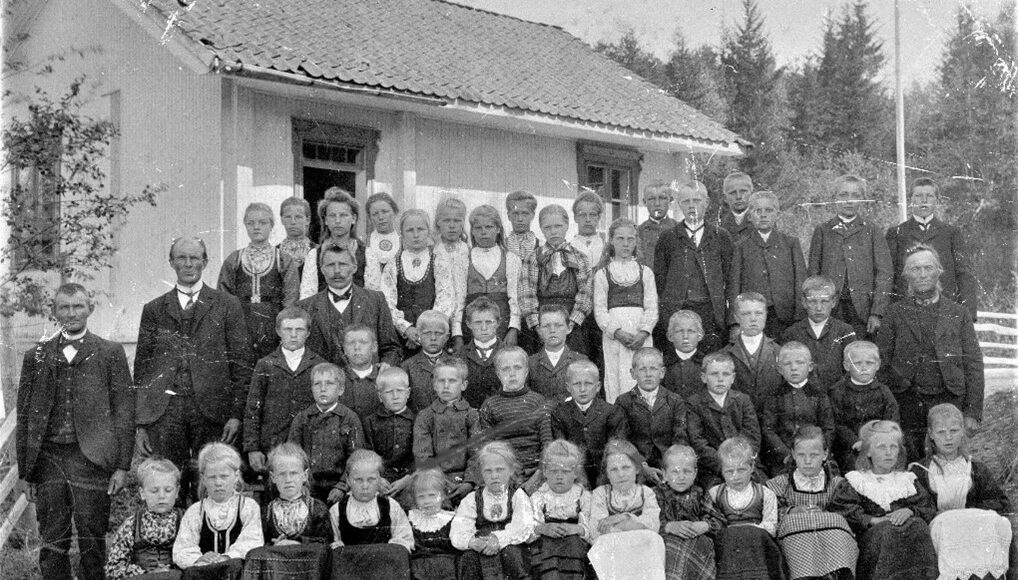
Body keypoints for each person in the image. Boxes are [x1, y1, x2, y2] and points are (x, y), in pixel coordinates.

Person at [17, 283, 135, 580]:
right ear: (54, 311)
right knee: (53, 538)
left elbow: (124, 412)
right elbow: (26, 416)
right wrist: (26, 471)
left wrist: (122, 465)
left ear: (90, 309)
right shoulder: (37, 356)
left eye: (78, 306)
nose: (72, 313)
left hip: (92, 461)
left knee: (92, 538)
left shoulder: (110, 353)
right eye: (65, 307)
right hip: (49, 460)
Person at [135, 237, 253, 504]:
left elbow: (241, 364)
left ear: (205, 262)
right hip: (166, 411)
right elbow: (142, 369)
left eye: (194, 258)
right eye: (181, 258)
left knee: (210, 479)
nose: (188, 264)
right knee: (167, 480)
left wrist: (235, 415)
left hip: (211, 409)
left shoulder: (227, 305)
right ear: (172, 262)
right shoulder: (154, 309)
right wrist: (142, 422)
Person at [875, 244, 984, 460]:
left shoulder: (958, 313)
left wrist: (972, 412)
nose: (922, 274)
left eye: (928, 268)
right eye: (915, 269)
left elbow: (973, 363)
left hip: (949, 398)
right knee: (911, 463)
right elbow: (882, 363)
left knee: (950, 462)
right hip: (907, 401)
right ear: (906, 275)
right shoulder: (894, 313)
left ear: (938, 271)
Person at [910, 404, 1012, 580]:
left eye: (954, 430)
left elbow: (999, 501)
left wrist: (970, 513)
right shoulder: (920, 471)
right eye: (941, 432)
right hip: (941, 529)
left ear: (963, 431)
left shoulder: (975, 468)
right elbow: (918, 507)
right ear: (931, 434)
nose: (948, 438)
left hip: (973, 527)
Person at [828, 420, 938, 580]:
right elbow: (840, 510)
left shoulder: (907, 480)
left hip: (907, 535)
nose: (889, 452)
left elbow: (928, 508)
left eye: (893, 447)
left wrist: (910, 511)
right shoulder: (857, 481)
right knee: (888, 531)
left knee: (918, 526)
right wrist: (872, 520)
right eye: (881, 447)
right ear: (868, 452)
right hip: (872, 542)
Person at [765, 426, 858, 580]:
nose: (807, 461)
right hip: (796, 547)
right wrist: (791, 511)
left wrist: (824, 516)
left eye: (814, 455)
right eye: (801, 455)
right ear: (793, 454)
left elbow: (849, 516)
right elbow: (769, 515)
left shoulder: (837, 485)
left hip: (830, 546)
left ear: (825, 454)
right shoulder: (779, 485)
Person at [244, 306, 327, 476]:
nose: (294, 335)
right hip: (273, 444)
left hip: (309, 443)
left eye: (299, 329)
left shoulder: (319, 364)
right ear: (278, 331)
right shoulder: (266, 364)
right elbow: (253, 408)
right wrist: (252, 448)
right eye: (288, 329)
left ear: (308, 332)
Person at [808, 174, 893, 338]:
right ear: (834, 198)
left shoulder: (872, 230)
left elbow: (885, 274)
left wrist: (877, 312)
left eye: (855, 196)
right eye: (843, 195)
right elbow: (813, 274)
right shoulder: (823, 231)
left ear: (862, 200)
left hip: (863, 311)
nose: (849, 200)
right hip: (830, 309)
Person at [654, 180, 733, 353]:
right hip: (678, 310)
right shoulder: (668, 238)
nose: (691, 206)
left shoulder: (721, 237)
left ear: (706, 203)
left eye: (696, 200)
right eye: (686, 201)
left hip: (710, 312)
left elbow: (729, 277)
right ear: (679, 205)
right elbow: (660, 280)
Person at [217, 202, 299, 359]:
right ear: (245, 226)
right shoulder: (234, 259)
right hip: (241, 324)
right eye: (251, 223)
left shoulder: (283, 260)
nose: (256, 227)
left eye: (262, 223)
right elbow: (223, 296)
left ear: (271, 225)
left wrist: (284, 327)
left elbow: (291, 296)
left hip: (273, 324)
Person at [297, 243, 402, 367]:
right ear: (322, 269)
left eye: (343, 264)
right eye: (330, 265)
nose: (337, 271)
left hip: (366, 383)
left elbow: (391, 348)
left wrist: (386, 366)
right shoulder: (305, 307)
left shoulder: (376, 300)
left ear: (354, 267)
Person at [886, 177, 977, 317]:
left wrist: (969, 315)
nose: (924, 201)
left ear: (937, 200)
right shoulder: (897, 233)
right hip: (906, 312)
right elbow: (888, 276)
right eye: (918, 196)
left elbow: (964, 275)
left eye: (929, 196)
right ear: (911, 200)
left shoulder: (951, 233)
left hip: (944, 311)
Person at [242, 443, 333, 579]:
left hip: (308, 571)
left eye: (293, 473)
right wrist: (275, 544)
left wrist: (298, 543)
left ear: (304, 475)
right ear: (273, 477)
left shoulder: (317, 508)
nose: (288, 480)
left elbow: (326, 544)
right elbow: (259, 542)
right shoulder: (267, 512)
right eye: (282, 474)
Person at [594, 217, 659, 402]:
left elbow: (652, 307)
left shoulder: (645, 272)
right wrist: (617, 332)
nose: (625, 243)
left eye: (630, 239)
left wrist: (644, 332)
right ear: (612, 241)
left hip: (640, 334)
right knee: (617, 378)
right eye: (620, 238)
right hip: (615, 337)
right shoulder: (603, 274)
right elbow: (600, 311)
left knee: (642, 372)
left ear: (636, 241)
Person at [173, 443, 263, 574]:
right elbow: (183, 548)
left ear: (236, 476)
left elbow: (252, 541)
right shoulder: (196, 511)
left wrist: (226, 558)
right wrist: (200, 559)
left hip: (239, 574)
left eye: (224, 476)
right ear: (203, 478)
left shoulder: (248, 507)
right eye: (212, 477)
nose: (218, 483)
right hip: (204, 573)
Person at [450, 441, 536, 580]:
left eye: (499, 470)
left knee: (512, 554)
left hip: (509, 546)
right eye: (488, 471)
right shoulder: (472, 498)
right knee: (468, 558)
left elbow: (523, 526)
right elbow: (459, 528)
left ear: (511, 470)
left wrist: (498, 539)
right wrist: (471, 541)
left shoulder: (517, 495)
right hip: (481, 547)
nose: (494, 475)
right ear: (481, 473)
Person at [728, 190, 806, 337]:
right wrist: (735, 322)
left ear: (777, 215)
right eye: (758, 211)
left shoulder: (790, 243)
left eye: (769, 210)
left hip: (785, 316)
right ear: (750, 216)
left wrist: (799, 317)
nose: (763, 215)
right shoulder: (741, 246)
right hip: (753, 316)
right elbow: (734, 286)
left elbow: (800, 281)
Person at [329, 449, 415, 580]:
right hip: (352, 573)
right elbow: (333, 545)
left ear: (380, 479)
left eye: (371, 479)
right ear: (348, 480)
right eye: (358, 480)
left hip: (384, 572)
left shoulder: (391, 506)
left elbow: (404, 540)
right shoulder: (337, 511)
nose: (365, 486)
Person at [709, 436, 786, 580]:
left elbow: (771, 526)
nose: (735, 476)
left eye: (741, 469)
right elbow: (713, 524)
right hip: (729, 548)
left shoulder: (765, 494)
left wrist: (750, 528)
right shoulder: (715, 494)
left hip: (757, 547)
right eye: (729, 471)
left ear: (751, 467)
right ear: (721, 471)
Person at [381, 209, 456, 357]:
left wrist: (426, 331)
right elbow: (386, 302)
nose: (416, 235)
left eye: (420, 229)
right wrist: (406, 329)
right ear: (401, 233)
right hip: (401, 337)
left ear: (428, 231)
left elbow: (445, 298)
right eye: (410, 230)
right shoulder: (392, 264)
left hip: (434, 336)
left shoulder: (439, 261)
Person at [587, 439, 666, 580]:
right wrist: (635, 526)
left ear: (636, 468)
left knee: (654, 540)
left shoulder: (646, 493)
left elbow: (653, 525)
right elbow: (597, 529)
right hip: (614, 553)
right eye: (614, 469)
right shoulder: (601, 494)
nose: (621, 474)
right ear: (607, 473)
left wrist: (622, 517)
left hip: (641, 551)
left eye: (626, 467)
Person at [520, 203, 593, 355]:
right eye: (548, 227)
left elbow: (585, 295)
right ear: (541, 229)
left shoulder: (580, 258)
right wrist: (538, 326)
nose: (553, 231)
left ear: (567, 226)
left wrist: (571, 324)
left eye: (558, 226)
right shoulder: (532, 258)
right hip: (542, 326)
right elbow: (527, 295)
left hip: (572, 326)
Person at [287, 362, 365, 504]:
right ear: (311, 389)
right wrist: (302, 485)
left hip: (340, 486)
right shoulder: (303, 418)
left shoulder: (349, 418)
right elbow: (293, 456)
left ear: (341, 389)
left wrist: (342, 487)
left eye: (329, 384)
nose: (323, 389)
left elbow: (356, 459)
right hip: (308, 487)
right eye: (317, 384)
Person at [479, 346, 553, 492]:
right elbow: (489, 449)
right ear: (498, 374)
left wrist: (538, 476)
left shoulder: (537, 401)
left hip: (536, 473)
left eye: (517, 368)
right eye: (505, 369)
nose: (512, 374)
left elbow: (547, 443)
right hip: (503, 473)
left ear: (526, 371)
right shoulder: (490, 405)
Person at [686, 352, 762, 487]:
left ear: (733, 378)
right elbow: (697, 441)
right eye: (714, 374)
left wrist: (740, 461)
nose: (720, 379)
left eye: (726, 374)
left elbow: (752, 435)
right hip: (713, 468)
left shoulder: (742, 400)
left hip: (743, 463)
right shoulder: (694, 404)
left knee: (760, 489)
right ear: (704, 377)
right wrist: (724, 463)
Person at [413, 356, 481, 506]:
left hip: (466, 480)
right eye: (441, 381)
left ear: (464, 385)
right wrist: (441, 484)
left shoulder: (472, 415)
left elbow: (476, 454)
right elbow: (423, 455)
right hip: (435, 481)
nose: (446, 386)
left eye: (452, 381)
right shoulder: (426, 416)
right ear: (434, 384)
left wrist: (469, 482)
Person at [550, 359, 629, 486]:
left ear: (598, 387)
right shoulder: (559, 413)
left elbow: (616, 449)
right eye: (576, 384)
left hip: (605, 475)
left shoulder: (612, 412)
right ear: (568, 387)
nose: (582, 389)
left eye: (588, 384)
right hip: (573, 476)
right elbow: (561, 450)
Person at [614, 348, 688, 483]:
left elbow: (680, 437)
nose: (648, 374)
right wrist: (642, 467)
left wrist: (670, 466)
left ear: (662, 372)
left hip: (669, 466)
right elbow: (623, 440)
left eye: (653, 369)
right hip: (637, 466)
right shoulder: (623, 402)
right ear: (633, 373)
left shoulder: (674, 400)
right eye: (642, 369)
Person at [761, 342, 836, 474]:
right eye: (787, 364)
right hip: (784, 457)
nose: (793, 368)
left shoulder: (819, 395)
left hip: (815, 455)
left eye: (800, 363)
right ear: (779, 369)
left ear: (810, 366)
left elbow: (828, 428)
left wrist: (819, 452)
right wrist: (785, 454)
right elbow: (769, 431)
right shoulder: (774, 396)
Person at [105, 459, 183, 580]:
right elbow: (113, 568)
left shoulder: (186, 521)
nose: (161, 496)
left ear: (177, 491)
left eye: (168, 490)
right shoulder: (132, 524)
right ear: (142, 493)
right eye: (154, 491)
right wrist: (146, 574)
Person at [654, 445, 724, 580]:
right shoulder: (656, 494)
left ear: (695, 472)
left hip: (697, 543)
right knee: (669, 546)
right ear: (664, 473)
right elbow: (647, 523)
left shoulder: (700, 493)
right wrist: (669, 526)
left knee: (703, 544)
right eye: (675, 471)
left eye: (687, 471)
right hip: (667, 543)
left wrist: (704, 525)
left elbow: (719, 520)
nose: (681, 477)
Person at [829, 341, 900, 470]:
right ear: (846, 366)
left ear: (877, 365)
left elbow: (891, 419)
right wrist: (854, 441)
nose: (863, 368)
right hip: (851, 447)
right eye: (857, 363)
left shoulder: (884, 391)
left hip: (881, 444)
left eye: (869, 363)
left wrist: (878, 441)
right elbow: (837, 424)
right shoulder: (838, 392)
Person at [529, 440, 593, 580]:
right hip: (546, 548)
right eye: (554, 471)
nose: (559, 476)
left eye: (565, 471)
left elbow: (591, 528)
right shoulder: (539, 496)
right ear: (545, 471)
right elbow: (528, 527)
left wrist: (577, 529)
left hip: (575, 548)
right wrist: (542, 528)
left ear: (575, 472)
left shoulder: (583, 496)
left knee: (573, 542)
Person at [781, 276, 858, 390]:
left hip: (836, 395)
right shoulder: (792, 332)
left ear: (833, 302)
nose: (818, 308)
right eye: (812, 301)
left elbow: (852, 368)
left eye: (824, 301)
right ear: (804, 302)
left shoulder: (845, 330)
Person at [463, 204, 523, 346]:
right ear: (472, 231)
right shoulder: (464, 258)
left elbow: (515, 297)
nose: (483, 232)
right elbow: (460, 298)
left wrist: (513, 328)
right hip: (473, 322)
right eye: (478, 228)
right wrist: (457, 334)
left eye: (488, 227)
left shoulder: (510, 258)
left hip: (501, 322)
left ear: (497, 229)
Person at [300, 188, 367, 298]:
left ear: (353, 218)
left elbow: (374, 298)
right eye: (332, 215)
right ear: (325, 220)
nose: (337, 221)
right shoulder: (314, 255)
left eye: (343, 215)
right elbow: (307, 297)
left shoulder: (367, 254)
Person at [363, 367, 416, 502]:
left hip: (409, 478)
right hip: (380, 479)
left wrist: (408, 478)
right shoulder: (370, 422)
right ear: (380, 396)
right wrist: (377, 478)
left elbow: (420, 454)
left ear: (408, 393)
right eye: (389, 392)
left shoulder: (417, 420)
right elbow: (367, 454)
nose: (395, 396)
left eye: (400, 391)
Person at [722, 292, 782, 408]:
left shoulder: (780, 352)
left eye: (759, 313)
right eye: (746, 314)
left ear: (766, 315)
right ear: (736, 317)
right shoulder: (725, 354)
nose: (753, 319)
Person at [528, 304, 589, 402]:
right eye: (546, 326)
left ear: (569, 328)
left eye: (558, 325)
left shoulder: (581, 361)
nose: (552, 330)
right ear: (539, 330)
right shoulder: (530, 362)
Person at [407, 469, 461, 580]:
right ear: (414, 499)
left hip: (447, 570)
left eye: (432, 495)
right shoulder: (410, 519)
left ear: (443, 496)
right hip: (418, 571)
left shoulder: (452, 519)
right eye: (421, 497)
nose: (427, 501)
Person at [433, 196, 471, 352]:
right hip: (437, 318)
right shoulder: (432, 251)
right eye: (447, 220)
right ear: (438, 223)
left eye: (457, 221)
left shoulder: (468, 251)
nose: (452, 226)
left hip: (463, 320)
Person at [401, 310, 451, 412]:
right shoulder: (407, 367)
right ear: (418, 335)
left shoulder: (455, 364)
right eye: (427, 333)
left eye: (439, 333)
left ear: (447, 337)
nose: (433, 338)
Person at [462, 296, 507, 408]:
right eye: (477, 322)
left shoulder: (509, 353)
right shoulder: (460, 356)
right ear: (468, 324)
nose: (483, 328)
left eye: (489, 322)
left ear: (498, 322)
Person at [340, 324, 384, 421]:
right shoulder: (337, 378)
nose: (357, 347)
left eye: (363, 342)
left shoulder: (383, 376)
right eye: (351, 343)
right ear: (344, 349)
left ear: (374, 347)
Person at [661, 310, 706, 400]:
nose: (685, 336)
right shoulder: (662, 364)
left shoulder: (707, 363)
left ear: (700, 335)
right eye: (679, 331)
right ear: (670, 336)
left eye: (691, 331)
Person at [637, 180, 679, 271]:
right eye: (651, 199)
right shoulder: (637, 233)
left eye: (662, 198)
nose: (657, 203)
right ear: (644, 202)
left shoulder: (681, 230)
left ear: (670, 200)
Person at [364, 192, 401, 291]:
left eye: (385, 211)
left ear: (394, 212)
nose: (380, 217)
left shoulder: (404, 241)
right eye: (375, 214)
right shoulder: (365, 243)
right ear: (370, 218)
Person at [277, 196, 317, 283]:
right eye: (288, 217)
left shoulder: (318, 251)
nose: (293, 222)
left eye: (298, 217)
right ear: (282, 220)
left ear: (307, 220)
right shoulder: (274, 253)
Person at [504, 190, 541, 264]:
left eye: (525, 213)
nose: (520, 219)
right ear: (508, 215)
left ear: (532, 215)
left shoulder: (541, 246)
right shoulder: (502, 246)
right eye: (515, 213)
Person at [717, 171, 753, 241]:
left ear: (751, 194)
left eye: (743, 192)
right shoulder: (720, 225)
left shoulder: (761, 220)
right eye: (732, 193)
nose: (738, 197)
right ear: (725, 198)